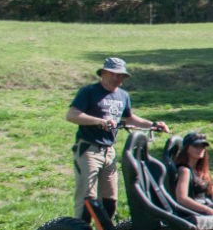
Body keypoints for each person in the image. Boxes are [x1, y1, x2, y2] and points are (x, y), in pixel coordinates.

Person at [65, 56, 166, 220]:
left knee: (110, 201)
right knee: (87, 199)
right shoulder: (89, 92)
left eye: (121, 76)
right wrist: (99, 122)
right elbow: (71, 115)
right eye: (114, 74)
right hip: (89, 150)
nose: (118, 79)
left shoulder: (123, 95)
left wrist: (153, 125)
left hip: (109, 151)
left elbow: (128, 118)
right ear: (104, 73)